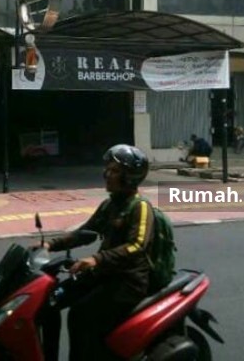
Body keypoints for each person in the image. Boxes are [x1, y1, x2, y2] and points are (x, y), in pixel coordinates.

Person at [34, 144, 155, 361]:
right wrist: (50, 245)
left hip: (127, 282)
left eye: (115, 171)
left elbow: (137, 246)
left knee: (80, 315)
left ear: (130, 177)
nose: (107, 175)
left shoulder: (140, 207)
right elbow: (85, 234)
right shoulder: (109, 205)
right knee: (47, 301)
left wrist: (96, 259)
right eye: (107, 169)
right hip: (103, 273)